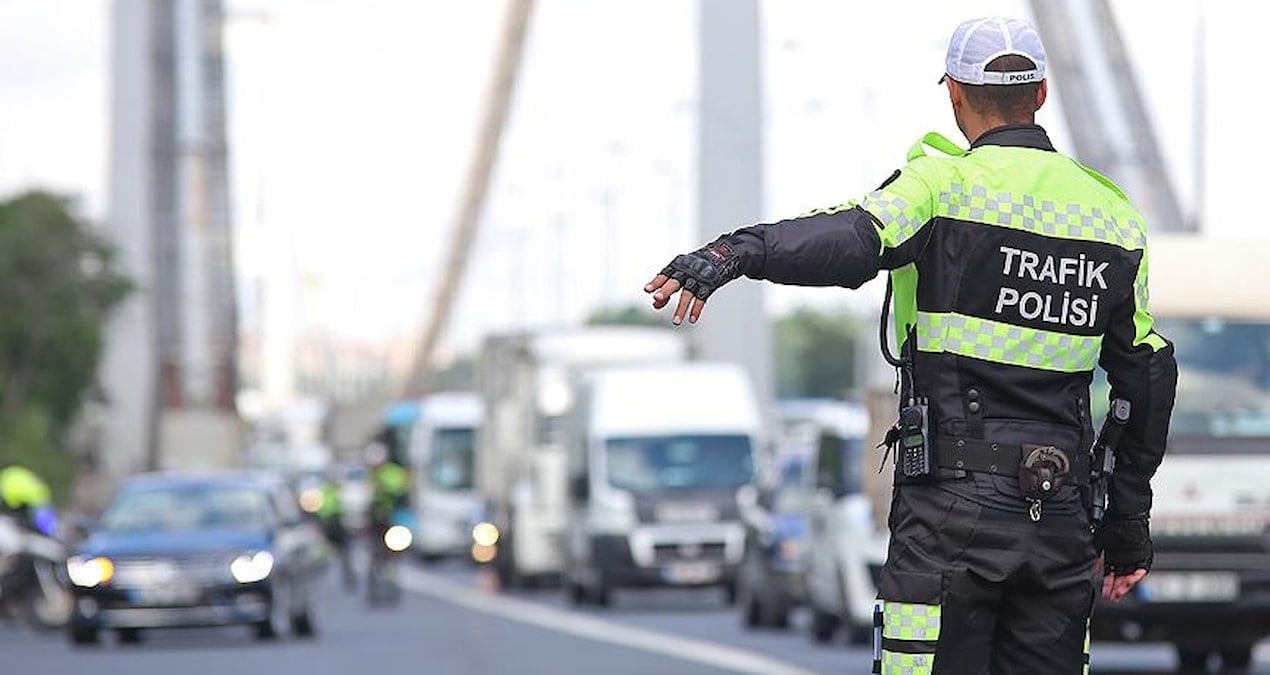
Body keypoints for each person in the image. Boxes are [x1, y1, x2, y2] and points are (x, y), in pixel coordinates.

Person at [643, 16, 1177, 674]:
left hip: (950, 518)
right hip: (1059, 517)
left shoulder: (938, 186)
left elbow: (846, 240)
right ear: (1041, 94)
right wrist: (1127, 524)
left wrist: (733, 254)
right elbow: (1147, 376)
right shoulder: (1112, 217)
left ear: (954, 93)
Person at [316, 469, 355, 592]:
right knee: (328, 553)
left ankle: (348, 577)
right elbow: (321, 510)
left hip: (341, 525)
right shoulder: (325, 491)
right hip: (330, 525)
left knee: (346, 552)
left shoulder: (344, 492)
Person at [0, 463, 56, 536]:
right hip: (41, 498)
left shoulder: (5, 476)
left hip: (26, 501)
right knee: (46, 526)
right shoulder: (16, 472)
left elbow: (10, 499)